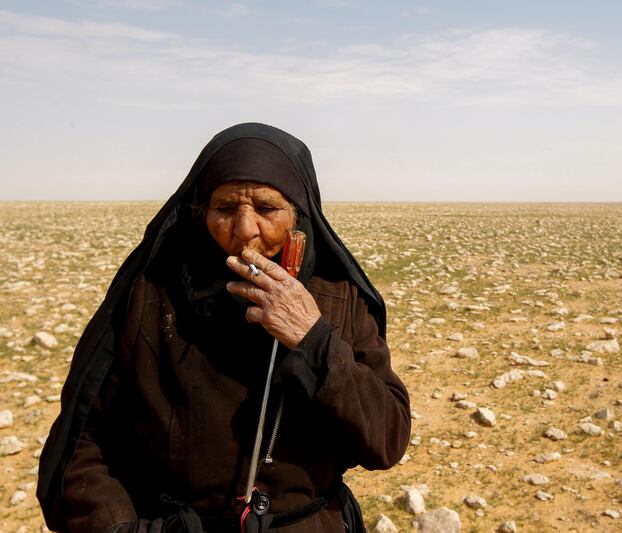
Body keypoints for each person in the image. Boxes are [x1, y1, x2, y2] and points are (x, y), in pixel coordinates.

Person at [37, 123, 411, 532]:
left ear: (299, 218)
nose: (245, 229)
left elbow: (386, 440)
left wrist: (312, 338)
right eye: (225, 209)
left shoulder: (338, 299)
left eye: (267, 209)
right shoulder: (151, 295)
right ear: (201, 212)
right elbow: (85, 440)